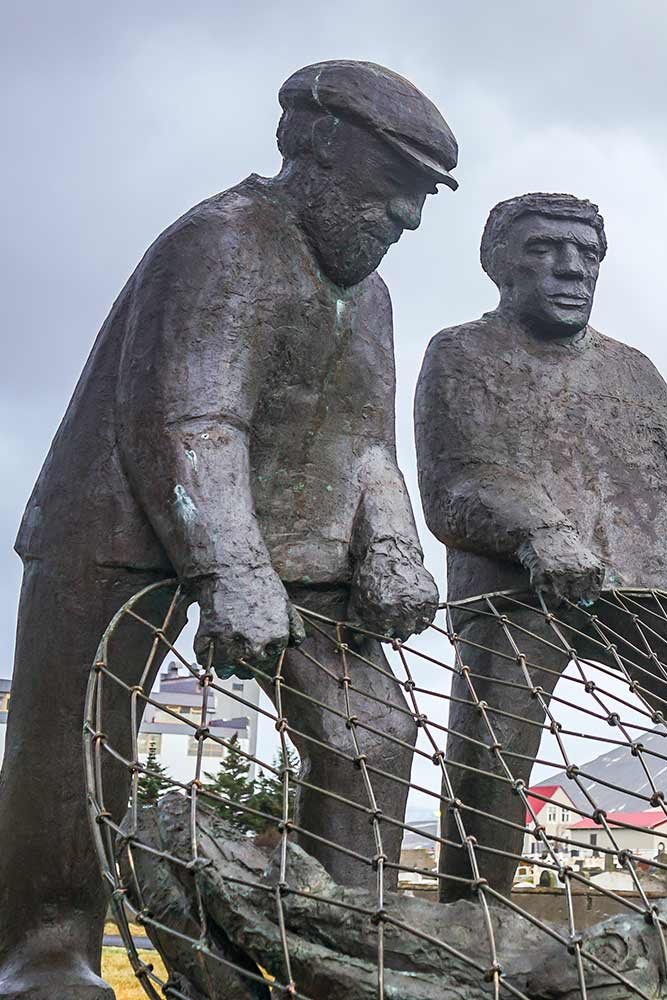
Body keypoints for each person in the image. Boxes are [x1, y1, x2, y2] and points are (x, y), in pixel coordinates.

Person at [0, 60, 455, 999]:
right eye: (397, 184)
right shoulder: (223, 242)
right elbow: (192, 420)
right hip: (120, 521)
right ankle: (48, 955)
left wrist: (395, 543)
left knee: (371, 731)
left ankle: (336, 956)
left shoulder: (369, 295)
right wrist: (232, 572)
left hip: (293, 538)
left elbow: (369, 444)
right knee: (80, 740)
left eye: (422, 197)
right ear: (321, 146)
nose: (408, 218)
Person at [415, 193, 667, 903]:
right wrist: (539, 531)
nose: (571, 269)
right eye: (545, 249)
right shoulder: (461, 354)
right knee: (489, 757)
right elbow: (456, 487)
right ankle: (470, 922)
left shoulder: (633, 369)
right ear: (499, 264)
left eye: (587, 254)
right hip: (524, 585)